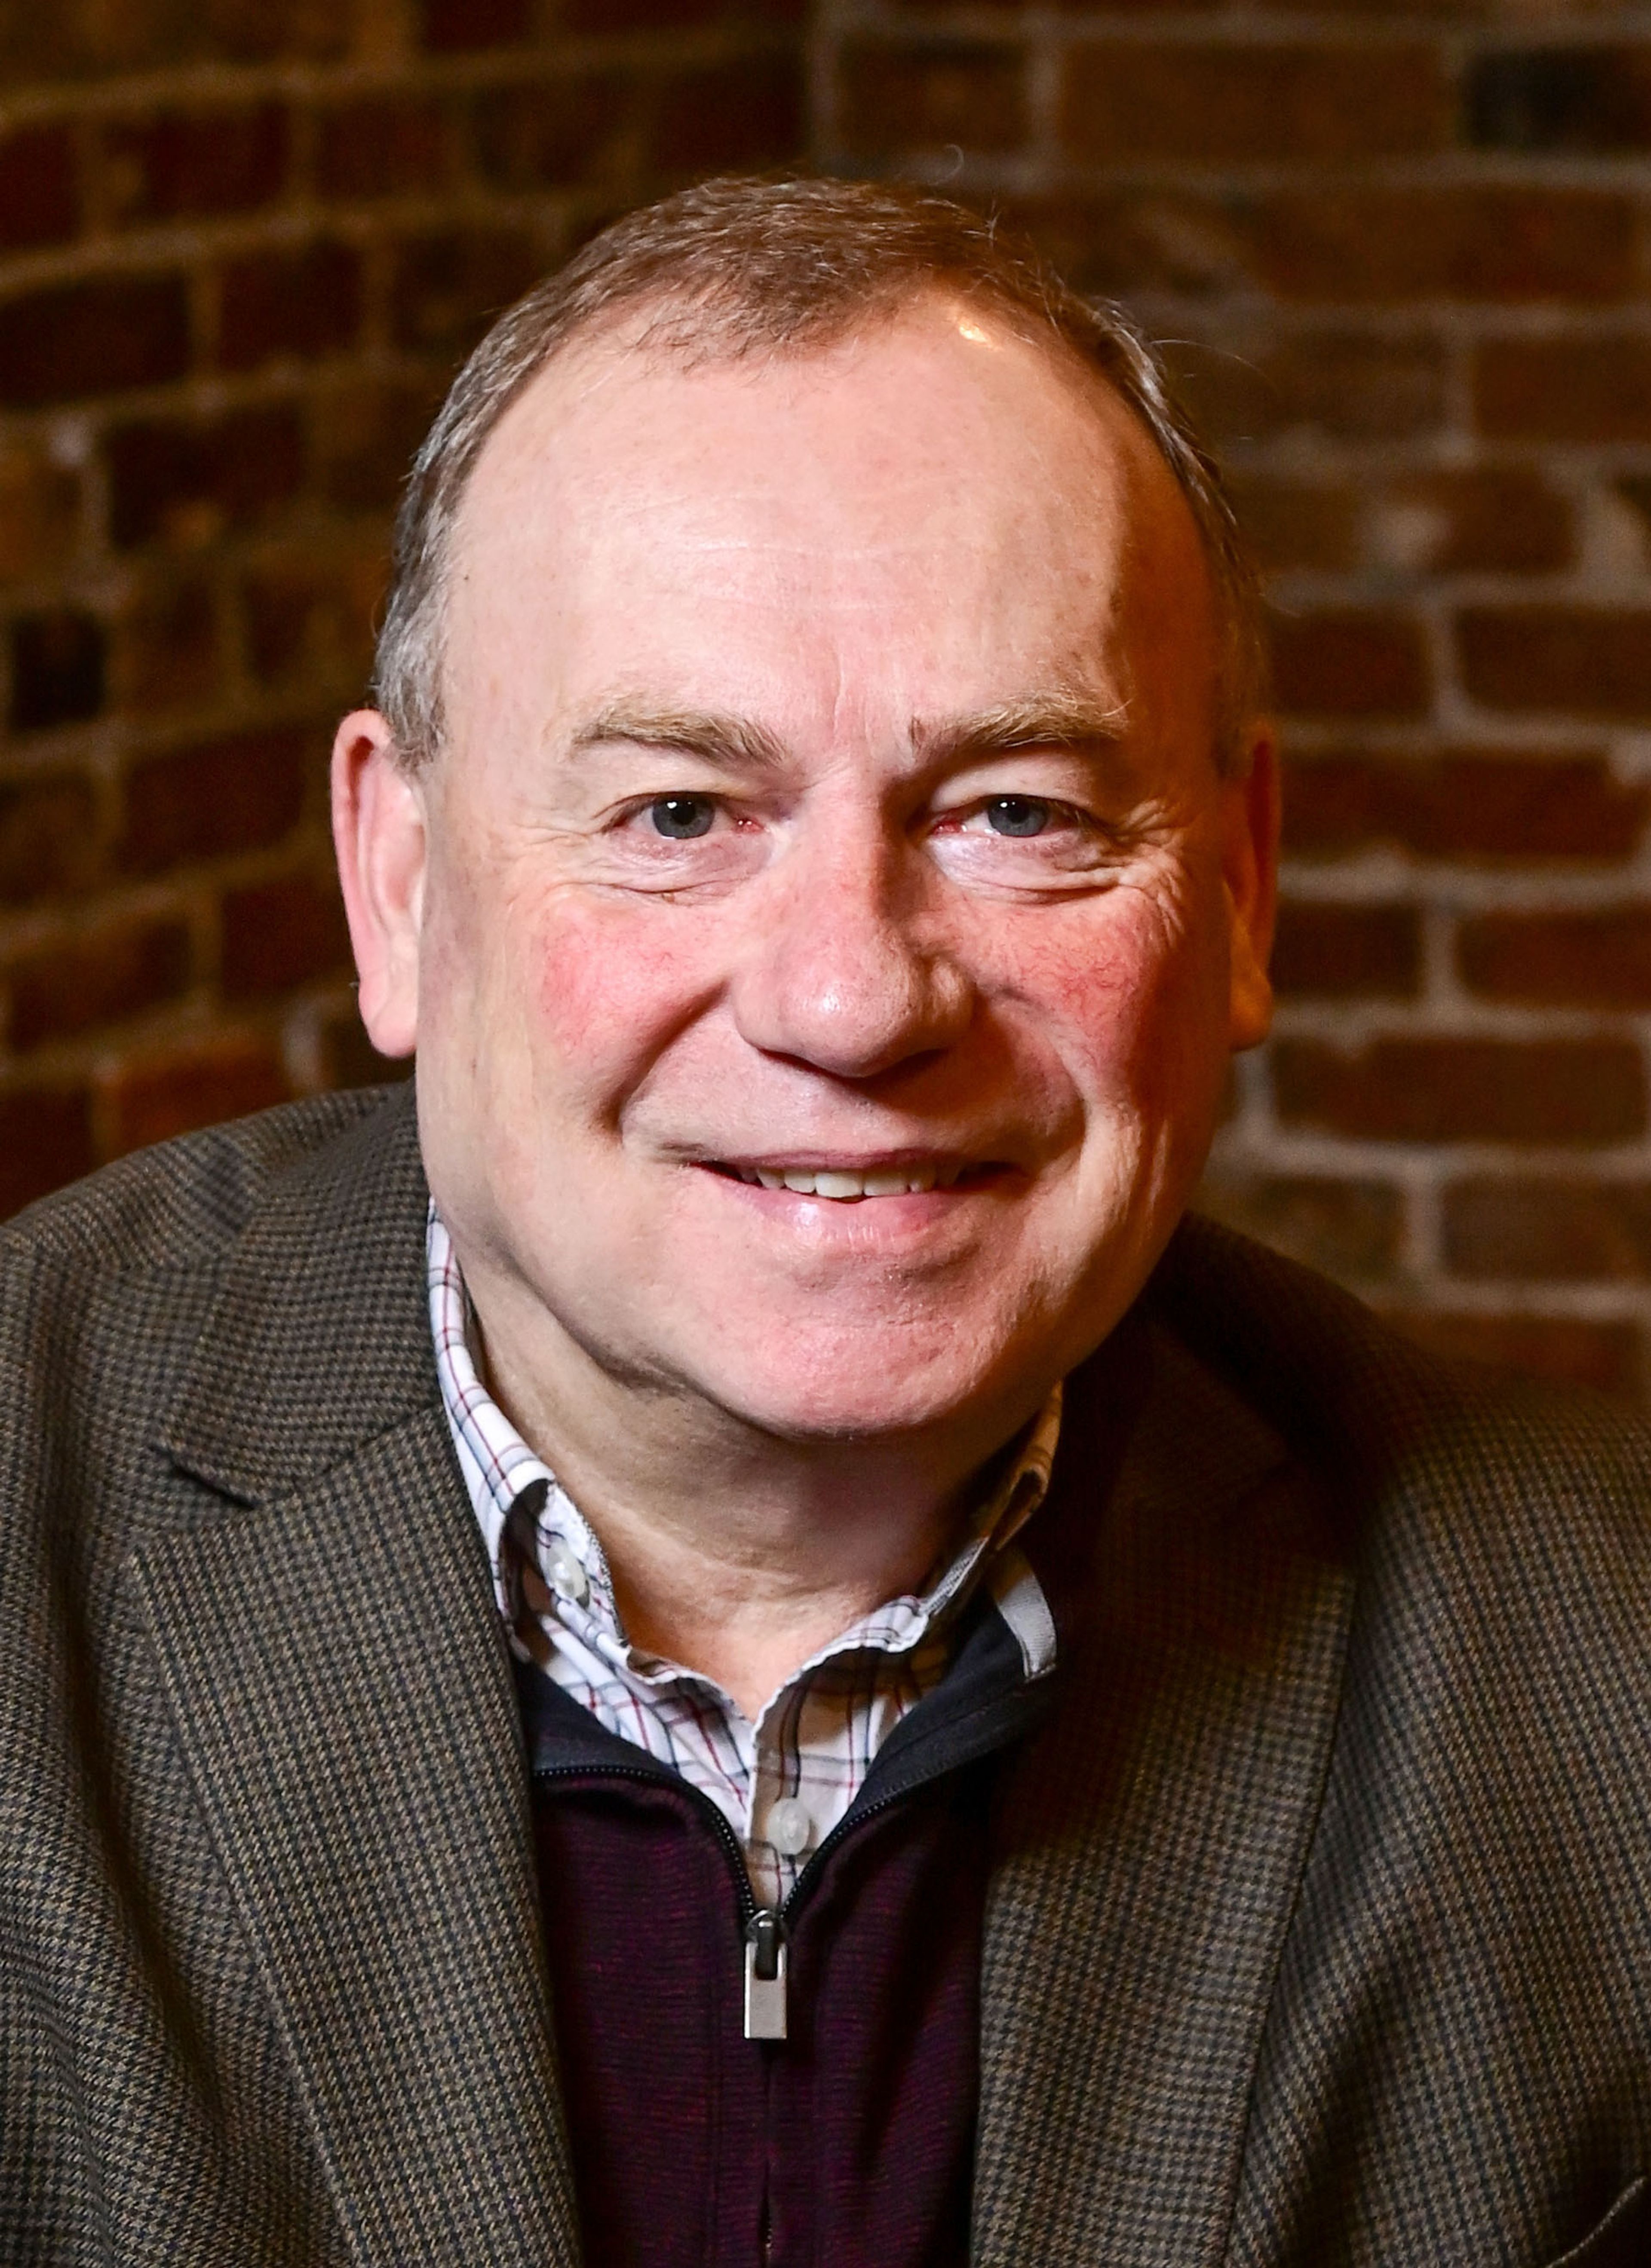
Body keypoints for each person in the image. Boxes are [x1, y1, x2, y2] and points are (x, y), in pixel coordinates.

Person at [2, 174, 1648, 2268]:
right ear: (399, 881)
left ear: (1236, 887)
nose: (853, 995)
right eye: (680, 811)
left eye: (1018, 809)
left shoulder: (1601, 1674)